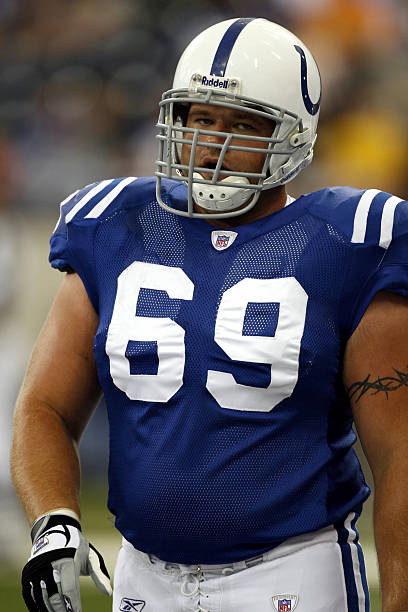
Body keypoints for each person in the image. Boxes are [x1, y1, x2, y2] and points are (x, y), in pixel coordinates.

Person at [10, 17, 408, 612]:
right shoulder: (115, 224)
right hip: (142, 574)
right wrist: (56, 522)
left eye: (243, 124)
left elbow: (399, 453)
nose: (213, 143)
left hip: (293, 571)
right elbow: (44, 405)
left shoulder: (347, 242)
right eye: (202, 119)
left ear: (294, 135)